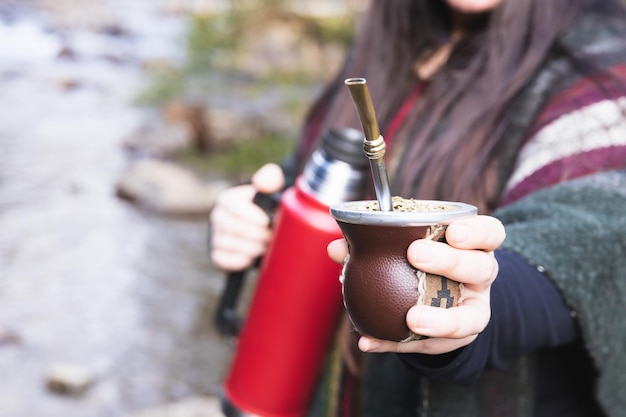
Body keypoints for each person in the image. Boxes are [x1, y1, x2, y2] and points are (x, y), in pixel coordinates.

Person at [210, 0, 626, 416]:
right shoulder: (390, 43)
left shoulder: (600, 67)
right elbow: (306, 184)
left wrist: (467, 299)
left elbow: (585, 237)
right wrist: (258, 219)